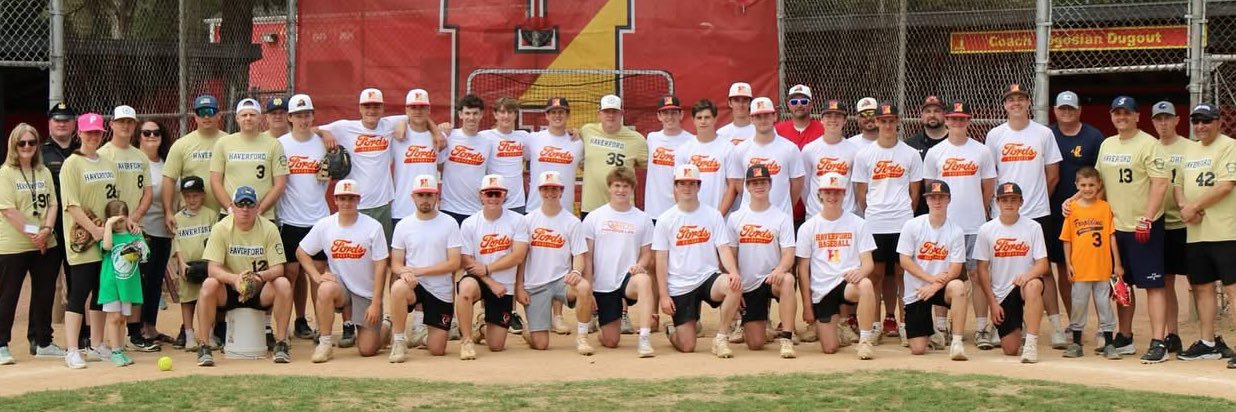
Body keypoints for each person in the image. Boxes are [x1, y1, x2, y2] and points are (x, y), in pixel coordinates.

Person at [985, 84, 1066, 350]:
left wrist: (1034, 201)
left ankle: (1055, 327)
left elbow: (1052, 174)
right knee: (1001, 269)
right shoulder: (995, 135)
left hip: (1037, 212)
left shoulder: (1043, 133)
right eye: (1011, 99)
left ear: (1028, 102)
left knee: (1044, 272)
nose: (1016, 103)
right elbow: (991, 173)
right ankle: (1004, 325)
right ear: (1005, 105)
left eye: (1020, 99)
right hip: (1004, 214)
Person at [1092, 96, 1172, 363]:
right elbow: (1099, 182)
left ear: (1138, 116)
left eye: (1127, 113)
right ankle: (1124, 336)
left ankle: (1159, 340)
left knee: (1153, 284)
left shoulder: (1149, 144)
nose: (1121, 117)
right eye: (1117, 113)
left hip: (1143, 225)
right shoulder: (1107, 144)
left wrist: (1147, 218)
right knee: (1121, 284)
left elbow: (1160, 183)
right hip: (1116, 226)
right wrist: (1077, 201)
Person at [921, 100, 997, 349]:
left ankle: (982, 327)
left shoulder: (981, 151)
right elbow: (931, 189)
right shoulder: (935, 153)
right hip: (945, 226)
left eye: (962, 119)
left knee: (977, 275)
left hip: (974, 224)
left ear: (968, 120)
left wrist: (977, 209)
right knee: (942, 275)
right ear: (946, 119)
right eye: (953, 118)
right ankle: (941, 327)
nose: (957, 123)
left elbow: (988, 188)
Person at [195, 186, 292, 366]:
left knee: (283, 283)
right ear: (232, 206)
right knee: (209, 285)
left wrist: (258, 277)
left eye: (250, 204)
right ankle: (204, 345)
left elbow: (278, 268)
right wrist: (235, 279)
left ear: (257, 207)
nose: (245, 209)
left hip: (260, 289)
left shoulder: (269, 229)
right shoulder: (221, 228)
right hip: (230, 289)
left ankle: (281, 343)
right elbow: (213, 269)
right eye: (241, 204)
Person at [852, 101, 923, 344]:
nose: (887, 125)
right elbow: (861, 193)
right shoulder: (865, 154)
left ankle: (904, 324)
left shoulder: (910, 154)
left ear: (897, 122)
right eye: (883, 121)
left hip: (902, 221)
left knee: (903, 273)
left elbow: (915, 192)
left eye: (892, 120)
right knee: (876, 274)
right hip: (875, 222)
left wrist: (903, 214)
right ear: (878, 123)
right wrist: (873, 212)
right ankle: (874, 325)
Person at [655, 164, 742, 357]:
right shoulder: (665, 220)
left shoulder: (713, 215)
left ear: (699, 186)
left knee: (733, 285)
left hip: (707, 277)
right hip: (680, 284)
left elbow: (723, 249)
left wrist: (733, 272)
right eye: (682, 183)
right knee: (687, 346)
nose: (687, 188)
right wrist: (663, 295)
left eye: (692, 183)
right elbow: (661, 260)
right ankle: (673, 332)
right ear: (675, 187)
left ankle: (721, 338)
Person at [300, 179, 391, 363]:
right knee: (325, 289)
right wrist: (317, 277)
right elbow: (301, 252)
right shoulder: (325, 225)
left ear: (358, 200)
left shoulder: (373, 226)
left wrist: (375, 303)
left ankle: (385, 327)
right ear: (335, 200)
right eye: (342, 198)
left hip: (365, 292)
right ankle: (325, 343)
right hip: (341, 288)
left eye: (351, 198)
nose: (346, 203)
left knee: (367, 350)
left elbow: (381, 266)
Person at [1173, 103, 1236, 367]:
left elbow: (1226, 185)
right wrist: (1185, 208)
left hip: (1226, 230)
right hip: (1197, 232)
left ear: (1218, 122)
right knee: (1202, 287)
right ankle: (1208, 343)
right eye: (1196, 121)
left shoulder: (1229, 146)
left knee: (1233, 289)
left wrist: (1195, 207)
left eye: (1206, 121)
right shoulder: (1189, 149)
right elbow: (1177, 185)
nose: (1200, 126)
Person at [0, 123, 65, 364]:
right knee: (8, 295)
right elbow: (9, 211)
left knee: (44, 293)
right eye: (22, 143)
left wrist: (46, 230)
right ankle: (1, 344)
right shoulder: (6, 173)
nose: (27, 147)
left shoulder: (44, 171)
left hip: (46, 243)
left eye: (31, 142)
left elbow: (53, 204)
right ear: (13, 146)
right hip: (14, 245)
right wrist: (35, 233)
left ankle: (43, 341)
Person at [60, 113, 120, 369]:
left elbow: (112, 201)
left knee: (100, 291)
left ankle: (96, 344)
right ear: (79, 134)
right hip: (83, 238)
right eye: (88, 133)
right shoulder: (72, 164)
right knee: (79, 292)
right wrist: (93, 231)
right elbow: (71, 205)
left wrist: (114, 227)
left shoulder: (108, 162)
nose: (93, 136)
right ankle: (72, 349)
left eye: (97, 132)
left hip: (105, 237)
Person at [796, 172, 878, 359]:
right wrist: (807, 305)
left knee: (865, 285)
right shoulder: (809, 227)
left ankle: (865, 340)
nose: (832, 197)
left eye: (837, 193)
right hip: (822, 290)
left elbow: (868, 262)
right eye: (828, 192)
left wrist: (861, 272)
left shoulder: (858, 223)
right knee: (829, 348)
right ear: (820, 195)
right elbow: (802, 268)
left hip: (847, 283)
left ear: (844, 194)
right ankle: (836, 330)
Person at [97, 105, 156, 352]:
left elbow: (148, 193)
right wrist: (114, 222)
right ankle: (97, 337)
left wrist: (134, 217)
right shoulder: (103, 154)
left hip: (133, 227)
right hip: (111, 227)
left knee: (134, 277)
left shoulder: (140, 156)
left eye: (129, 122)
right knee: (107, 279)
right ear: (111, 124)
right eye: (120, 121)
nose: (125, 126)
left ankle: (134, 332)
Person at [581, 167, 657, 357]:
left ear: (632, 189)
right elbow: (587, 258)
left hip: (629, 277)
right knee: (610, 341)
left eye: (625, 186)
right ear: (609, 187)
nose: (621, 190)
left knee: (644, 280)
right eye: (617, 186)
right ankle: (605, 326)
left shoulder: (643, 218)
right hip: (604, 283)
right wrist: (589, 288)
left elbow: (647, 254)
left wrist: (641, 265)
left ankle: (645, 339)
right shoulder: (594, 217)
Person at [517, 171, 595, 354]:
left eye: (554, 189)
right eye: (545, 189)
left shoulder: (572, 222)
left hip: (562, 281)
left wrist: (576, 272)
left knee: (583, 287)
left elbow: (579, 254)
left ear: (561, 191)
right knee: (541, 344)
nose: (550, 193)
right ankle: (531, 331)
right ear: (539, 190)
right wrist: (519, 287)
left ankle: (582, 337)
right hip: (535, 284)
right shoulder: (527, 221)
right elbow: (521, 258)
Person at [725, 164, 797, 357]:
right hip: (749, 284)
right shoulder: (736, 218)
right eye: (754, 183)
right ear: (747, 186)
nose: (759, 186)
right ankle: (763, 325)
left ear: (770, 184)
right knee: (755, 344)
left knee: (788, 280)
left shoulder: (781, 217)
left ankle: (787, 338)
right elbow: (731, 255)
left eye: (763, 182)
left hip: (771, 279)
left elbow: (789, 253)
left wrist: (780, 269)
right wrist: (736, 285)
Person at [456, 175, 529, 360]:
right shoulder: (470, 223)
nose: (493, 197)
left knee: (496, 346)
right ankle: (466, 341)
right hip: (478, 279)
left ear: (505, 195)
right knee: (465, 290)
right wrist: (488, 279)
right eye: (489, 193)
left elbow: (518, 255)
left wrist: (488, 268)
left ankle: (482, 326)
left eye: (498, 193)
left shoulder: (518, 220)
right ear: (481, 195)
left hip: (504, 284)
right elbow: (465, 259)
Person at [974, 182, 1048, 363]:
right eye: (1004, 199)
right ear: (997, 202)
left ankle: (1031, 342)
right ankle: (1018, 328)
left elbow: (1043, 264)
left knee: (1034, 285)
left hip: (1024, 285)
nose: (1009, 203)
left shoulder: (1033, 227)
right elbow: (981, 269)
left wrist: (1027, 275)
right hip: (1002, 292)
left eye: (1014, 199)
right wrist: (993, 303)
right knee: (1010, 349)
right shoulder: (986, 230)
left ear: (1021, 202)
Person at [388, 174, 461, 359]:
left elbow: (454, 263)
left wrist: (419, 270)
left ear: (436, 196)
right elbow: (395, 263)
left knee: (437, 350)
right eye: (421, 195)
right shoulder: (404, 225)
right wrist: (404, 272)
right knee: (398, 288)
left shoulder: (449, 223)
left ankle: (426, 335)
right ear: (413, 197)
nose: (425, 200)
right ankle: (399, 341)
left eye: (429, 195)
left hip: (440, 289)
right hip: (415, 285)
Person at [277, 94, 331, 341]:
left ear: (313, 116)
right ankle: (295, 322)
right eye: (298, 115)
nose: (303, 119)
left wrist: (325, 134)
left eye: (307, 114)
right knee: (290, 273)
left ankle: (322, 328)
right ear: (289, 118)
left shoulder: (323, 143)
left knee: (317, 273)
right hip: (289, 219)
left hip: (318, 218)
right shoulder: (281, 144)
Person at [897, 180, 969, 361]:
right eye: (933, 197)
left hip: (941, 287)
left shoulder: (956, 231)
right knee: (918, 349)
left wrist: (935, 286)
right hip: (918, 291)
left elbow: (955, 268)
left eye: (941, 197)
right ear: (926, 200)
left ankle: (957, 343)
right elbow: (904, 261)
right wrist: (930, 279)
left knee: (959, 287)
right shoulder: (912, 225)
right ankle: (930, 330)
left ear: (949, 200)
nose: (937, 201)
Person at [1049, 91, 1104, 320]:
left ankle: (1103, 323)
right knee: (1064, 265)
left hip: (1087, 212)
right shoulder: (1047, 134)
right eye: (1062, 108)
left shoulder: (1093, 137)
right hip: (1054, 210)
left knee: (1095, 267)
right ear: (1055, 110)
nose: (1067, 112)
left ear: (1080, 110)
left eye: (1071, 108)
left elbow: (1101, 178)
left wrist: (1081, 201)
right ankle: (1074, 321)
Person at [317, 88, 397, 241]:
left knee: (383, 255)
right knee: (353, 251)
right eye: (367, 106)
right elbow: (313, 130)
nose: (371, 111)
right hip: (354, 204)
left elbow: (417, 117)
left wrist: (436, 129)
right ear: (360, 108)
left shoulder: (389, 125)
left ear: (382, 108)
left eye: (376, 106)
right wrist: (324, 132)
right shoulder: (344, 127)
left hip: (382, 205)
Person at [1058, 166, 1121, 359]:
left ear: (1099, 185)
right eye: (1083, 185)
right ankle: (1077, 342)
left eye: (1091, 184)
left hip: (1102, 267)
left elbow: (1111, 237)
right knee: (1079, 303)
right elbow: (1067, 239)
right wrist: (1068, 263)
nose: (1087, 189)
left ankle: (1109, 342)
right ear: (1077, 185)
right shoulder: (1072, 209)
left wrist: (1117, 263)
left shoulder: (1104, 207)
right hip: (1080, 267)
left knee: (1104, 305)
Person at [1150, 100, 1192, 353]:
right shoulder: (1150, 147)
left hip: (1185, 223)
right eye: (1158, 118)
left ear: (1177, 119)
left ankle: (1206, 336)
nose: (1163, 123)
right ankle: (1172, 333)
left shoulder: (1190, 147)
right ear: (1153, 121)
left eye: (1167, 118)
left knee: (1197, 281)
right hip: (1159, 223)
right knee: (1165, 281)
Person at [209, 98, 289, 221]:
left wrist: (260, 209)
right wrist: (230, 209)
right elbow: (215, 181)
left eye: (252, 115)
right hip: (230, 214)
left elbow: (280, 184)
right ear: (237, 118)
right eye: (244, 115)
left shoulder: (274, 144)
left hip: (263, 215)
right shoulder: (223, 143)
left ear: (260, 118)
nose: (248, 118)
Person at [724, 97, 804, 217]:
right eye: (758, 116)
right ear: (751, 119)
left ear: (774, 116)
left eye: (767, 115)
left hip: (781, 216)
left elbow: (797, 183)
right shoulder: (740, 149)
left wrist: (784, 206)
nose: (763, 120)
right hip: (750, 217)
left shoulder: (790, 148)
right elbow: (739, 183)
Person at [133, 120, 175, 347]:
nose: (151, 136)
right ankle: (136, 329)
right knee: (141, 280)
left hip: (164, 230)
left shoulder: (167, 162)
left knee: (155, 282)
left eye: (156, 132)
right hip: (141, 230)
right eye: (145, 132)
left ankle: (150, 327)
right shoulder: (134, 161)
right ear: (138, 136)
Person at [97, 200, 149, 367]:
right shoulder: (108, 234)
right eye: (115, 221)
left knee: (123, 318)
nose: (119, 225)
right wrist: (108, 226)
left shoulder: (134, 234)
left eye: (122, 220)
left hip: (128, 284)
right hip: (111, 283)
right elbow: (106, 246)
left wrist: (137, 247)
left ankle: (119, 349)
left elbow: (145, 254)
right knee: (114, 317)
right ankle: (115, 351)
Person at [163, 95, 226, 229]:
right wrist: (168, 211)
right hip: (192, 215)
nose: (206, 117)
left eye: (210, 112)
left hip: (224, 212)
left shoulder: (230, 141)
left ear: (219, 115)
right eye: (201, 113)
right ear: (195, 117)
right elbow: (169, 179)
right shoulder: (181, 145)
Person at [169, 176, 217, 351]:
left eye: (195, 195)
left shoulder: (211, 215)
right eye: (187, 196)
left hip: (205, 264)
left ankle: (209, 334)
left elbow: (215, 241)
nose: (191, 200)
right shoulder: (177, 218)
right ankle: (189, 335)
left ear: (203, 195)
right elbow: (177, 243)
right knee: (187, 300)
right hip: (187, 265)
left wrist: (211, 264)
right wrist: (181, 263)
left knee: (208, 299)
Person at [580, 95, 648, 216]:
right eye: (606, 111)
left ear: (621, 114)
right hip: (591, 207)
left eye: (614, 112)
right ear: (599, 113)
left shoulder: (637, 139)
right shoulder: (586, 131)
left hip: (623, 209)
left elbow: (652, 167)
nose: (610, 115)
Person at [439, 94, 496, 225]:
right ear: (460, 114)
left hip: (476, 210)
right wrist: (439, 130)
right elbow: (437, 163)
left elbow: (490, 173)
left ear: (481, 114)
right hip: (449, 208)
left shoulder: (487, 142)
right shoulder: (450, 136)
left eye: (475, 113)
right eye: (467, 113)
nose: (471, 118)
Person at [389, 89, 443, 225]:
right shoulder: (396, 136)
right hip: (401, 209)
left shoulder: (438, 138)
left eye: (422, 107)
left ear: (429, 109)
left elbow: (445, 167)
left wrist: (438, 131)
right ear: (407, 110)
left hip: (430, 209)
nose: (418, 111)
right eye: (413, 107)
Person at [801, 98, 860, 217]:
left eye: (838, 116)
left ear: (845, 120)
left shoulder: (855, 150)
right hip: (816, 214)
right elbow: (804, 185)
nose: (833, 120)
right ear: (821, 120)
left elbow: (856, 186)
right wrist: (814, 207)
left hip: (846, 214)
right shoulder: (809, 149)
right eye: (828, 116)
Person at [524, 97, 583, 213]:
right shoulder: (533, 138)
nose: (557, 116)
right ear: (546, 115)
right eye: (553, 112)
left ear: (568, 115)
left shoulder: (578, 143)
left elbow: (587, 166)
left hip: (564, 210)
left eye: (561, 112)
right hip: (535, 209)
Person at [677, 100, 736, 214]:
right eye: (699, 118)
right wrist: (685, 212)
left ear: (715, 119)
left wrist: (719, 216)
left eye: (707, 117)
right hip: (691, 216)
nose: (703, 121)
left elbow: (732, 186)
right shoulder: (684, 149)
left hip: (720, 216)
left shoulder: (728, 148)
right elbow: (677, 186)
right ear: (693, 120)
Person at [44, 103, 79, 282]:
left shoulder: (83, 150)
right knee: (47, 282)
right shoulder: (39, 153)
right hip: (52, 225)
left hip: (77, 224)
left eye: (66, 120)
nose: (61, 124)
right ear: (50, 123)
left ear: (74, 124)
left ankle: (75, 312)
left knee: (77, 282)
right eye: (57, 120)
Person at [646, 95, 696, 219]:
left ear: (681, 114)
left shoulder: (691, 140)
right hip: (654, 209)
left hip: (680, 208)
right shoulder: (652, 138)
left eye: (674, 113)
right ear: (659, 116)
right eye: (665, 113)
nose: (669, 117)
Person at [484, 97, 530, 215]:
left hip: (517, 202)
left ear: (515, 115)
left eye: (510, 112)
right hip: (494, 199)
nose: (506, 116)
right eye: (502, 112)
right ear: (495, 114)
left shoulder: (524, 137)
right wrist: (442, 128)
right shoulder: (484, 137)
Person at [908, 96, 947, 217]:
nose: (932, 115)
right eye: (928, 111)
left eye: (937, 111)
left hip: (948, 210)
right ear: (921, 115)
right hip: (918, 212)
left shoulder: (954, 143)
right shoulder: (910, 145)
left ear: (945, 115)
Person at [775, 84, 823, 149]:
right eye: (794, 102)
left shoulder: (823, 130)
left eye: (804, 101)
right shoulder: (777, 130)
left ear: (811, 104)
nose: (799, 105)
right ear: (788, 105)